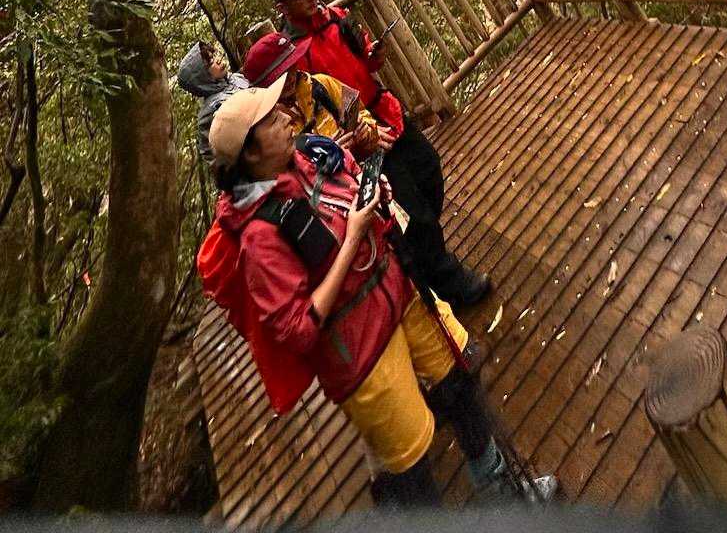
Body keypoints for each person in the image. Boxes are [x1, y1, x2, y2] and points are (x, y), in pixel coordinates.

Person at [200, 77, 554, 506]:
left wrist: (375, 195)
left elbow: (348, 185)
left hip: (401, 290)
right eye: (272, 120)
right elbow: (296, 329)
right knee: (411, 461)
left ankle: (504, 493)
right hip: (360, 348)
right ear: (251, 154)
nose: (286, 118)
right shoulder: (259, 238)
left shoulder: (307, 157)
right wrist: (352, 237)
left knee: (460, 381)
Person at [269, 0, 491, 309]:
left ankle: (420, 258)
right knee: (413, 211)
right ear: (283, 8)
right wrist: (357, 137)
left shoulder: (337, 17)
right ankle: (451, 283)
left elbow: (364, 60)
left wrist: (373, 57)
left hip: (384, 111)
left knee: (429, 169)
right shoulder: (294, 56)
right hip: (361, 141)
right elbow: (313, 113)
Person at [243, 29, 384, 152]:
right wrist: (331, 156)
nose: (289, 78)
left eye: (290, 67)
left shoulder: (321, 84)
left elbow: (363, 115)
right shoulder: (269, 128)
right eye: (279, 76)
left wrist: (365, 132)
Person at [176, 40, 249, 163]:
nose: (218, 60)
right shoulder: (211, 110)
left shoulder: (236, 78)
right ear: (201, 77)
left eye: (214, 56)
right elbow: (214, 157)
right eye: (210, 63)